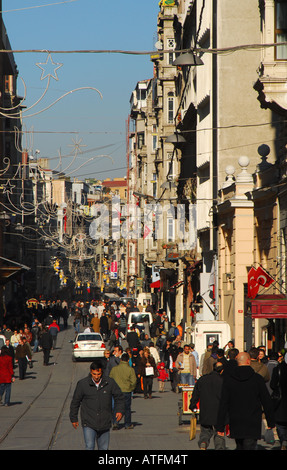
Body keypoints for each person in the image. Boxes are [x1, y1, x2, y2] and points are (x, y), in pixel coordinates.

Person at [216, 351, 275, 450]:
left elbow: (223, 403)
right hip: (252, 421)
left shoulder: (229, 380)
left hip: (236, 420)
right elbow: (266, 401)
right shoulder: (257, 379)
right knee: (250, 445)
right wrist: (270, 422)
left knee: (239, 446)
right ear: (248, 361)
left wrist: (220, 426)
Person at [70, 360, 125, 450]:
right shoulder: (83, 384)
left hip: (104, 422)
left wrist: (119, 410)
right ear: (91, 372)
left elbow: (119, 397)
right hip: (88, 422)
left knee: (103, 448)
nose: (96, 377)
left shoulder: (109, 383)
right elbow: (75, 402)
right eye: (94, 374)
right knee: (89, 446)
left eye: (98, 374)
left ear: (101, 372)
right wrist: (73, 418)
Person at [190, 362, 226, 450]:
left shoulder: (202, 379)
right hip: (219, 411)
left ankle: (203, 442)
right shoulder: (224, 381)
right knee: (219, 431)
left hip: (205, 409)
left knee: (205, 430)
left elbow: (195, 394)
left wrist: (193, 405)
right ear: (222, 370)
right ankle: (219, 447)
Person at [109, 352, 137, 429]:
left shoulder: (114, 369)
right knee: (127, 408)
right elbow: (134, 381)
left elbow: (110, 379)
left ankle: (115, 422)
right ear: (128, 360)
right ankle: (127, 424)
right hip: (126, 391)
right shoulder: (130, 370)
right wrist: (131, 388)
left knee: (115, 407)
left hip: (116, 392)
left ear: (121, 360)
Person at [270, 354, 287, 450]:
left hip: (281, 401)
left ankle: (283, 440)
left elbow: (273, 385)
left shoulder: (278, 369)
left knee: (280, 425)